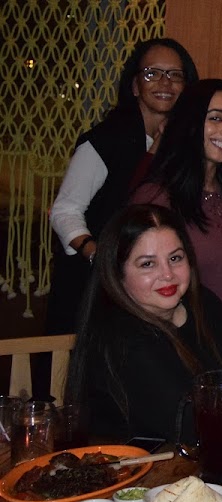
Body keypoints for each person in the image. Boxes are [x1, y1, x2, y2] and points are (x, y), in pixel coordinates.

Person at [64, 205, 222, 442]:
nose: (167, 274)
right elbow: (199, 430)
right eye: (147, 264)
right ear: (117, 274)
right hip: (133, 464)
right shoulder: (119, 339)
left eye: (175, 258)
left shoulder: (203, 303)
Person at [47, 38, 198, 339]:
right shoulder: (105, 140)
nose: (164, 82)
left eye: (175, 75)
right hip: (93, 286)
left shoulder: (184, 145)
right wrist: (99, 257)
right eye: (152, 73)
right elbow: (64, 210)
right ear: (134, 86)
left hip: (152, 285)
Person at [129, 79, 222, 366]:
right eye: (215, 118)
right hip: (184, 357)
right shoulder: (157, 199)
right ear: (190, 122)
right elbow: (138, 292)